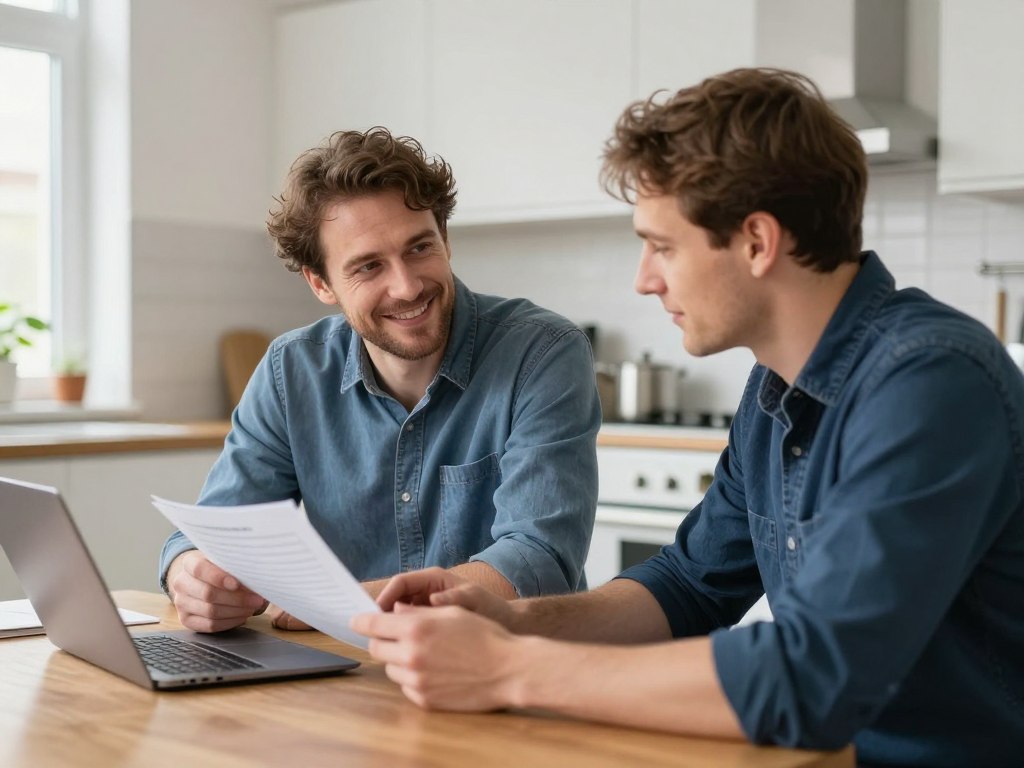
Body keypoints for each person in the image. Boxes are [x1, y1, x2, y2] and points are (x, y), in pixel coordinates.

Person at [351, 69, 1024, 767]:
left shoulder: (930, 381)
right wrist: (511, 621)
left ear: (758, 242)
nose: (645, 278)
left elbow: (812, 678)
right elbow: (687, 588)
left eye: (663, 246)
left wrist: (505, 668)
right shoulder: (776, 388)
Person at [159, 128, 601, 633]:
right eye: (369, 266)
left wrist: (335, 604)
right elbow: (216, 534)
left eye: (419, 248)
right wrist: (190, 572)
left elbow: (539, 561)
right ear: (321, 283)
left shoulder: (541, 353)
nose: (407, 286)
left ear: (446, 240)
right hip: (348, 676)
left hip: (511, 670)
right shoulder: (291, 371)